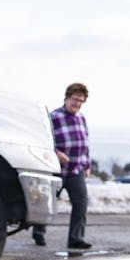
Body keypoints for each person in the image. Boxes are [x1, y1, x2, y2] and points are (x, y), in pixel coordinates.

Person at [33, 83, 92, 250]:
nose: (78, 104)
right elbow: (44, 140)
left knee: (81, 204)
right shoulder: (54, 117)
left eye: (81, 101)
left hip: (76, 170)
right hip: (57, 169)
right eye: (75, 99)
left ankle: (75, 239)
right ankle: (38, 232)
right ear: (66, 98)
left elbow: (85, 144)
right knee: (48, 202)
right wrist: (56, 152)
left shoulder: (82, 118)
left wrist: (87, 164)